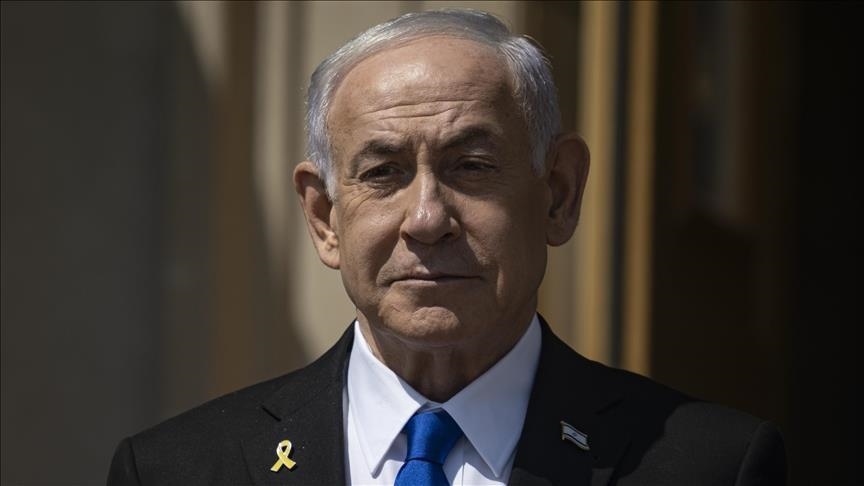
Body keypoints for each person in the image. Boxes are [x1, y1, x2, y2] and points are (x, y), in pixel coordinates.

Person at [108, 9, 786, 485]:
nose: (428, 218)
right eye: (383, 173)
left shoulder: (708, 466)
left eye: (472, 166)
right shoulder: (178, 470)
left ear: (558, 193)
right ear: (323, 217)